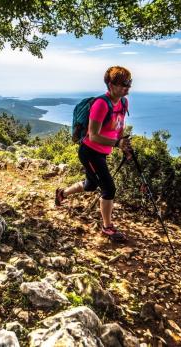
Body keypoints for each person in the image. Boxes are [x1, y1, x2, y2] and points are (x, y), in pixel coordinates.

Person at [55, 66, 133, 242]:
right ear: (111, 85)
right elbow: (94, 135)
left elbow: (120, 125)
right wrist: (117, 143)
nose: (127, 87)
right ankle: (107, 228)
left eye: (129, 83)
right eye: (123, 84)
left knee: (90, 185)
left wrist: (123, 145)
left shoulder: (123, 102)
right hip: (90, 152)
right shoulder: (100, 104)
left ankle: (62, 193)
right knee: (109, 188)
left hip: (102, 152)